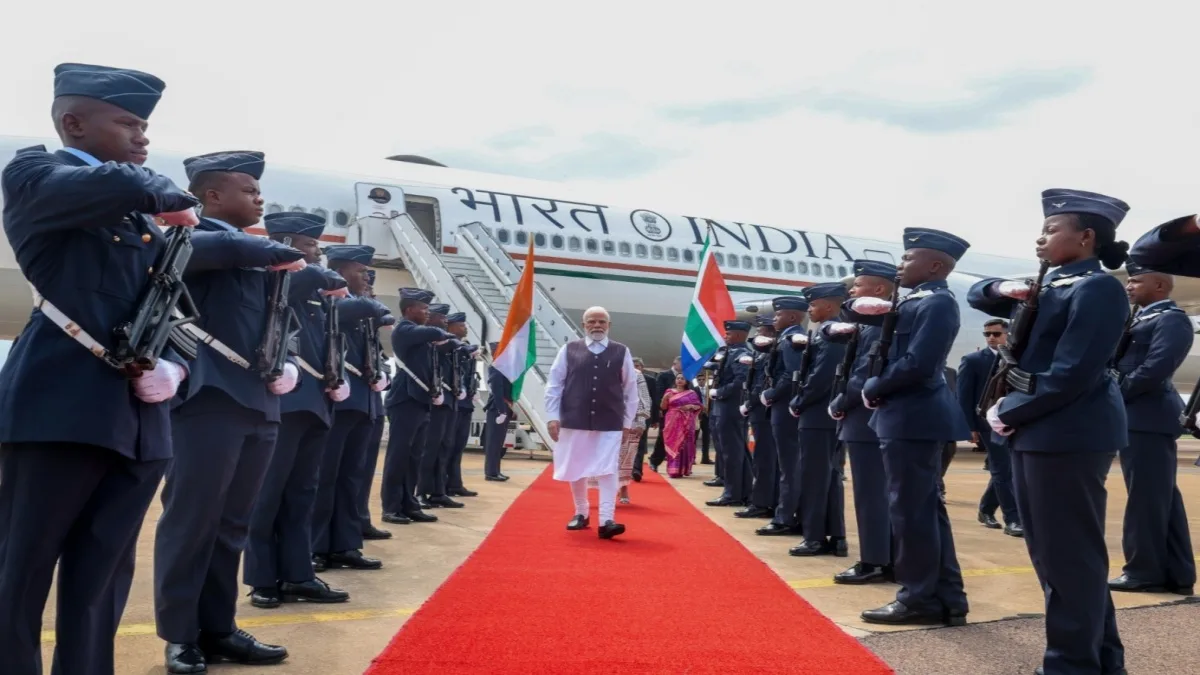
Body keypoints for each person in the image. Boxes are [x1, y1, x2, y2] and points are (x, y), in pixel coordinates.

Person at [0, 62, 201, 675]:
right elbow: (105, 186)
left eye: (146, 126)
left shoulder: (140, 218)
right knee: (22, 571)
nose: (143, 137)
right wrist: (160, 189)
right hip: (59, 408)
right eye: (129, 123)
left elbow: (174, 310)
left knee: (102, 579)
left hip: (137, 419)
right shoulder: (37, 175)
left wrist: (173, 366)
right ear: (73, 123)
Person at [968, 189, 1131, 675]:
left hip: (1067, 432)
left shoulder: (1096, 288)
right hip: (1043, 431)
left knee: (1067, 558)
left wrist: (1011, 410)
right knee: (1060, 557)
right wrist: (1004, 288)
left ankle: (1070, 664)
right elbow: (979, 294)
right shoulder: (1052, 283)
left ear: (1085, 238)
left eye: (1052, 229)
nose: (1041, 237)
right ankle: (1098, 660)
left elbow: (1073, 371)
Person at [155, 186, 313, 669]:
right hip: (208, 398)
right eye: (249, 190)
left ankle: (218, 627)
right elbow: (181, 261)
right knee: (192, 520)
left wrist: (287, 362)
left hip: (260, 404)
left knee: (232, 526)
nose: (260, 200)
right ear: (212, 196)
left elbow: (281, 321)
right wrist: (267, 249)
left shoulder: (254, 255)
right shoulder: (193, 238)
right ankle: (181, 635)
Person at [848, 226, 970, 627]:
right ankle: (947, 597)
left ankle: (918, 598)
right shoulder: (913, 301)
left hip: (913, 415)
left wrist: (874, 386)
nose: (899, 266)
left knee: (911, 513)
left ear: (935, 265)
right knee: (924, 511)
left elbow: (919, 363)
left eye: (907, 259)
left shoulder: (937, 303)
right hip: (905, 414)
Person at [1110, 261, 1195, 596]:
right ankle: (1177, 572)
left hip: (1148, 418)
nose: (1129, 286)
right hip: (1139, 417)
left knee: (1146, 499)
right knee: (1161, 499)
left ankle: (1143, 571)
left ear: (1160, 286)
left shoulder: (1172, 320)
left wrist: (1115, 390)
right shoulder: (1141, 318)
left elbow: (1156, 368)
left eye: (1136, 281)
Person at [310, 245, 396, 576]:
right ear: (341, 272)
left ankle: (345, 544)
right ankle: (317, 545)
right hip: (338, 402)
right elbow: (370, 310)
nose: (368, 277)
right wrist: (369, 300)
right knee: (325, 478)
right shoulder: (330, 302)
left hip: (362, 404)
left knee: (351, 478)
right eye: (361, 272)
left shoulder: (358, 309)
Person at [825, 260, 897, 584]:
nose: (851, 290)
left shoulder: (879, 326)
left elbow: (865, 374)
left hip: (865, 420)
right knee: (874, 494)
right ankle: (885, 556)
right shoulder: (868, 326)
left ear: (879, 289)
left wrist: (842, 401)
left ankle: (875, 561)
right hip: (863, 419)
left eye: (858, 285)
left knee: (871, 496)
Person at [543, 306, 640, 539]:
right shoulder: (569, 350)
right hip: (574, 418)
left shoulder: (621, 351)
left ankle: (607, 519)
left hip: (610, 420)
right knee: (576, 466)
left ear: (609, 325)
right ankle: (581, 512)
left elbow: (630, 388)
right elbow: (554, 384)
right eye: (592, 322)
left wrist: (628, 421)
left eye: (602, 322)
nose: (597, 325)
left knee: (608, 468)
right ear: (583, 324)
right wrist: (552, 416)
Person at [381, 288, 453, 525]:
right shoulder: (405, 330)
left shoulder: (419, 334)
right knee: (398, 456)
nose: (426, 313)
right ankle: (391, 507)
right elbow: (434, 331)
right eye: (423, 309)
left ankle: (408, 504)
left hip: (420, 400)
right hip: (404, 400)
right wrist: (442, 333)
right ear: (409, 310)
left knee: (414, 457)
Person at [789, 282, 849, 557]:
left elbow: (823, 376)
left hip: (817, 415)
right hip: (824, 415)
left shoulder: (829, 334)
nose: (809, 310)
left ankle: (814, 537)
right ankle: (835, 536)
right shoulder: (827, 332)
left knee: (815, 477)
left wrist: (799, 401)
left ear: (827, 305)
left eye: (812, 305)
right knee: (829, 477)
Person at [957, 319, 1022, 536]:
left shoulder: (1018, 359)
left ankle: (986, 509)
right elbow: (964, 397)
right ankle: (1013, 519)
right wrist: (968, 427)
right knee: (1003, 469)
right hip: (986, 423)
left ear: (1007, 334)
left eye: (995, 333)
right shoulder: (973, 360)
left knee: (1006, 469)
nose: (991, 337)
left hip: (1014, 420)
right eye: (987, 334)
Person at [756, 296, 809, 537]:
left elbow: (792, 375)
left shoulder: (790, 341)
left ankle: (785, 517)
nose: (774, 319)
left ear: (793, 317)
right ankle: (783, 512)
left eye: (778, 315)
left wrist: (771, 394)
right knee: (785, 465)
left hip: (784, 408)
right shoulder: (786, 339)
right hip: (782, 407)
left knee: (788, 466)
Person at [735, 316, 779, 519]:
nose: (757, 335)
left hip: (764, 412)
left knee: (764, 459)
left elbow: (763, 384)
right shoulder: (761, 355)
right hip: (757, 410)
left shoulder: (771, 353)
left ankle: (762, 502)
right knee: (761, 458)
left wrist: (751, 403)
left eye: (761, 331)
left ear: (770, 333)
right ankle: (761, 500)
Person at [705, 321, 754, 507]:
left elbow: (741, 381)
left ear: (740, 335)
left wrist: (722, 392)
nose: (725, 337)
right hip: (722, 407)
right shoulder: (728, 352)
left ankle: (733, 494)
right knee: (728, 451)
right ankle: (741, 491)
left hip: (731, 407)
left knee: (732, 452)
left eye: (729, 334)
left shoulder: (742, 354)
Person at [444, 313, 481, 499]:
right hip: (453, 404)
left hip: (465, 404)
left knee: (458, 446)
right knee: (447, 446)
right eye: (460, 325)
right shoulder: (448, 348)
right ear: (449, 327)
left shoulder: (464, 349)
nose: (464, 328)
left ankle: (455, 483)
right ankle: (441, 484)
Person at [642, 356, 683, 476]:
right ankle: (655, 461)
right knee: (664, 437)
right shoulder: (664, 376)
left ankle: (679, 466)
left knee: (680, 439)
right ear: (675, 363)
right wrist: (660, 408)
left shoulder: (686, 376)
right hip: (667, 412)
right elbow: (659, 394)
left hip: (682, 414)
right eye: (681, 364)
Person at [660, 373, 703, 477]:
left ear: (686, 381)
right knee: (673, 443)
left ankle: (684, 469)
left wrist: (690, 406)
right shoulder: (669, 392)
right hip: (672, 420)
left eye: (682, 378)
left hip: (687, 422)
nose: (679, 380)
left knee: (685, 444)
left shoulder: (691, 393)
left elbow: (699, 406)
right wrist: (664, 398)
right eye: (678, 378)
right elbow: (663, 407)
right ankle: (673, 470)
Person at [483, 341, 512, 481]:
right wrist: (502, 410)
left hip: (503, 407)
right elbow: (497, 391)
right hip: (497, 408)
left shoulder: (504, 368)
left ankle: (495, 470)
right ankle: (491, 472)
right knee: (493, 442)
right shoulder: (496, 368)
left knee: (498, 442)